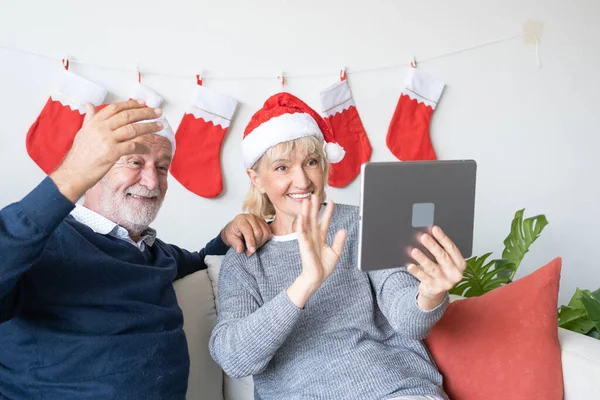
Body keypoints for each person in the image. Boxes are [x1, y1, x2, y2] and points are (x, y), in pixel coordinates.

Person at [0, 99, 272, 399]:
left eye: (162, 167)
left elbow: (200, 262)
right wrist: (70, 175)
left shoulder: (155, 252)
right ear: (95, 168)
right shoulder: (42, 245)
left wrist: (226, 234)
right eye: (134, 162)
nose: (152, 180)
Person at [209, 93, 467, 400]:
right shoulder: (245, 259)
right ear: (257, 178)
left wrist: (430, 293)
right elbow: (234, 358)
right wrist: (306, 282)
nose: (302, 180)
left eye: (311, 162)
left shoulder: (362, 221)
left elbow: (407, 320)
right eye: (282, 168)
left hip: (392, 390)